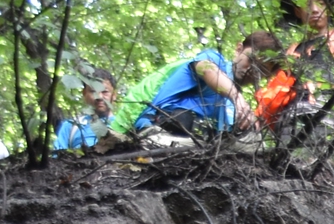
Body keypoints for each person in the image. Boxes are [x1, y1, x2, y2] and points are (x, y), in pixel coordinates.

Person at [111, 37, 275, 143]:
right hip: (155, 128)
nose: (252, 70)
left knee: (253, 140)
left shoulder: (228, 110)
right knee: (183, 118)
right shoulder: (213, 60)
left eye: (261, 69)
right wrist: (237, 97)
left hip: (192, 146)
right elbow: (206, 68)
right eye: (251, 60)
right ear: (238, 49)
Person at [50, 70, 117, 152]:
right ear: (84, 93)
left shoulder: (123, 126)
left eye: (105, 92)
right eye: (93, 91)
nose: (99, 97)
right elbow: (57, 157)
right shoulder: (70, 127)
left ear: (114, 95)